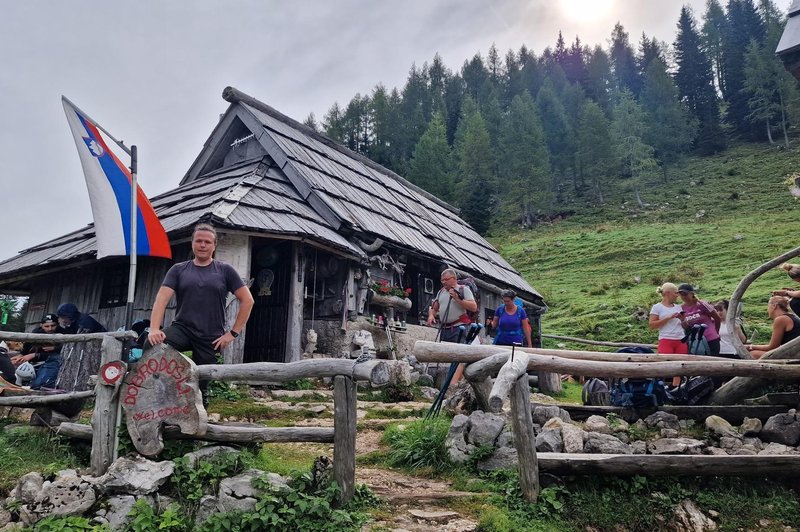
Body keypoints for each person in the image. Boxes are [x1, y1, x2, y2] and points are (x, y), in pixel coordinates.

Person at [147, 223, 254, 406]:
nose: (202, 245)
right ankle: (153, 400)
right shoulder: (179, 269)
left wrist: (232, 333)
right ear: (192, 243)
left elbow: (247, 300)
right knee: (153, 344)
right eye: (199, 241)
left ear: (214, 246)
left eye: (207, 242)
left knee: (202, 383)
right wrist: (154, 329)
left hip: (211, 335)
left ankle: (199, 422)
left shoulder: (225, 270)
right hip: (183, 328)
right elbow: (161, 299)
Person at [11, 313, 63, 389]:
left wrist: (55, 348)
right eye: (46, 326)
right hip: (36, 361)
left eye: (53, 325)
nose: (50, 329)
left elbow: (65, 351)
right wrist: (21, 355)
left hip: (52, 362)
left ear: (58, 324)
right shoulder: (37, 332)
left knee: (39, 383)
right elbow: (27, 345)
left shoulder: (64, 334)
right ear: (41, 325)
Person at [426, 268, 477, 343]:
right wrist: (431, 316)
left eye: (446, 279)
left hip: (459, 328)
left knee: (456, 352)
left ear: (454, 278)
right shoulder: (441, 292)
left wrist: (458, 299)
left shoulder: (463, 290)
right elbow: (434, 308)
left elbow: (474, 307)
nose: (443, 282)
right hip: (444, 329)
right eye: (442, 280)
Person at [678, 284, 721, 356]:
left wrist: (717, 332)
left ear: (691, 294)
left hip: (710, 338)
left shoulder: (702, 304)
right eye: (681, 294)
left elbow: (717, 318)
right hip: (696, 341)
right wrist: (682, 321)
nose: (683, 297)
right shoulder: (681, 308)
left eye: (685, 294)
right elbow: (686, 328)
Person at [648, 282, 688, 356]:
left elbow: (686, 326)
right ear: (668, 293)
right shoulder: (657, 307)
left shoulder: (678, 307)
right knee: (666, 364)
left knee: (681, 364)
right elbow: (652, 325)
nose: (677, 296)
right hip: (666, 339)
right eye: (675, 293)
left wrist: (682, 319)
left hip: (681, 340)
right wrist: (668, 318)